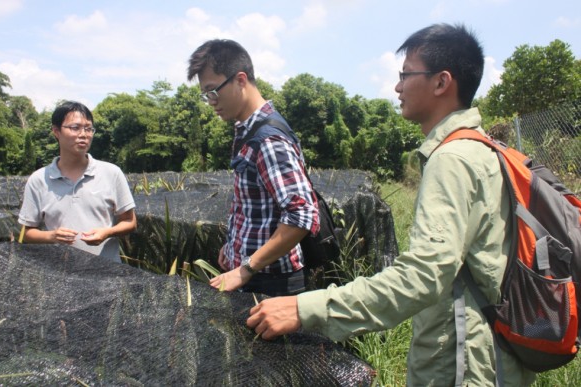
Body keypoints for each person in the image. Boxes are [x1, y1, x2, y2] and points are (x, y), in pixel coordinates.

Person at [247, 24, 536, 386]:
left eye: (405, 75)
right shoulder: (486, 150)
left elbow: (424, 275)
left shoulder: (453, 160)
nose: (398, 87)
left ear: (441, 82)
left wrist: (307, 308)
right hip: (496, 355)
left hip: (461, 362)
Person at [187, 39, 319, 297]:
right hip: (257, 276)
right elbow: (256, 207)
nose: (211, 101)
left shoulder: (268, 139)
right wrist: (233, 248)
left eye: (213, 91)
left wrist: (245, 268)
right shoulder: (247, 129)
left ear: (240, 80)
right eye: (206, 95)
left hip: (272, 283)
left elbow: (302, 216)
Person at [18, 100, 137, 263]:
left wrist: (106, 233)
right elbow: (26, 232)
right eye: (75, 128)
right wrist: (52, 236)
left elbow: (130, 221)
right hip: (59, 276)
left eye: (88, 129)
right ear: (56, 131)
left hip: (107, 274)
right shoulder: (39, 180)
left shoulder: (111, 173)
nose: (83, 134)